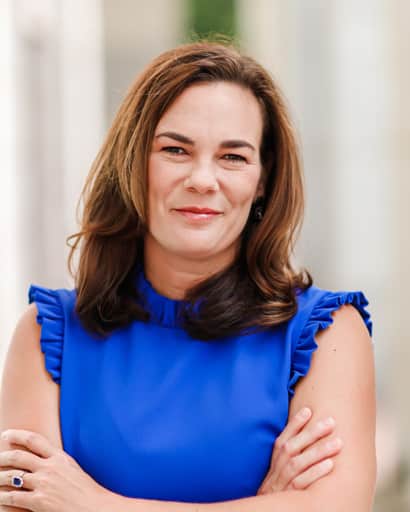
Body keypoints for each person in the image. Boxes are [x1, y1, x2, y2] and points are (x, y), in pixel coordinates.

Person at [0, 41, 376, 511]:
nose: (203, 179)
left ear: (262, 180)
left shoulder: (326, 335)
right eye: (176, 150)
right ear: (134, 162)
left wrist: (93, 504)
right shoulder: (46, 336)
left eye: (233, 157)